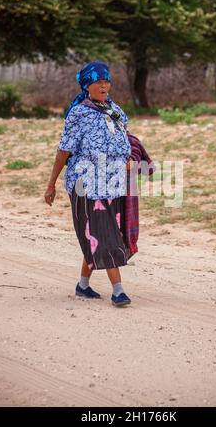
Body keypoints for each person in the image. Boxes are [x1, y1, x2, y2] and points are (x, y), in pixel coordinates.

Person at [44, 61, 135, 306]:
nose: (104, 85)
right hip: (86, 184)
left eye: (107, 80)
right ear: (87, 86)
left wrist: (127, 158)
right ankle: (118, 290)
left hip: (113, 183)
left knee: (99, 234)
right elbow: (64, 151)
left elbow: (123, 139)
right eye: (98, 81)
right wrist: (51, 184)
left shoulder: (114, 110)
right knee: (104, 235)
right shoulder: (79, 114)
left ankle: (83, 285)